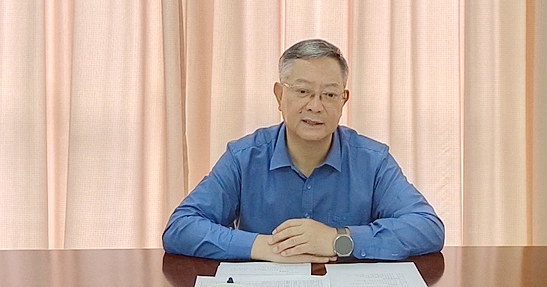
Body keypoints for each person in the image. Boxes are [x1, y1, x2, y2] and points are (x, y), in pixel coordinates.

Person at [163, 39, 444, 263]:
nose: (315, 106)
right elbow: (181, 227)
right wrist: (264, 247)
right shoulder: (244, 157)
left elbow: (427, 227)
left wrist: (339, 239)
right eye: (302, 91)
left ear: (343, 100)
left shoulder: (372, 161)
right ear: (279, 95)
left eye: (329, 94)